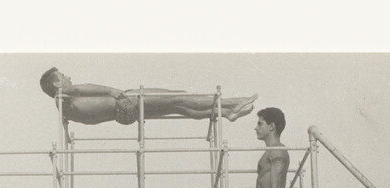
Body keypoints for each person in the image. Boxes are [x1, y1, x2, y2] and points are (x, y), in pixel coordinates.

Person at [39, 67, 258, 125]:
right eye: (63, 76)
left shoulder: (63, 108)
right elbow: (82, 88)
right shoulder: (63, 93)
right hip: (124, 101)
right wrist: (111, 91)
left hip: (120, 115)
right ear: (56, 83)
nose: (68, 77)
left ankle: (226, 112)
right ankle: (233, 102)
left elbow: (90, 115)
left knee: (179, 108)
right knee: (179, 97)